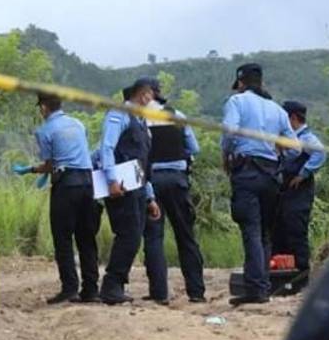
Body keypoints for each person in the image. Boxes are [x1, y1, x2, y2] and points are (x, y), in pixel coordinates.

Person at [220, 63, 297, 305]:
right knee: (264, 233)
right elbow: (294, 148)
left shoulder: (237, 102)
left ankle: (254, 289)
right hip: (271, 174)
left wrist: (226, 158)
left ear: (241, 84)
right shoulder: (277, 110)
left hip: (247, 171)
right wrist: (277, 151)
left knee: (251, 230)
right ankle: (262, 287)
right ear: (261, 83)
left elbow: (229, 133)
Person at [14, 94, 100, 303]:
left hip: (67, 185)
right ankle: (91, 290)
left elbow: (50, 164)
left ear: (43, 108)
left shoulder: (44, 131)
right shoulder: (78, 124)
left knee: (63, 237)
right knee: (86, 237)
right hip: (89, 183)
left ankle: (69, 288)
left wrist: (31, 170)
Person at [98, 78, 162, 305]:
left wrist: (150, 196)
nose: (152, 102)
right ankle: (111, 285)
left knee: (133, 236)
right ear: (144, 94)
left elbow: (142, 163)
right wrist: (111, 180)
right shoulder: (119, 115)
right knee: (129, 235)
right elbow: (106, 147)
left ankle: (115, 285)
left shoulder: (141, 122)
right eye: (152, 97)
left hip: (137, 186)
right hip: (121, 187)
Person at [142, 82, 207, 304]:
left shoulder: (139, 117)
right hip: (178, 179)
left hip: (152, 180)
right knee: (186, 235)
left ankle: (159, 293)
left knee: (154, 237)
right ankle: (196, 292)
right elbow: (194, 148)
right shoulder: (177, 114)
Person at [273, 100, 327, 273]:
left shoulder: (306, 138)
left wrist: (303, 174)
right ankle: (281, 271)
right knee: (280, 229)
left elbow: (320, 152)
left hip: (299, 192)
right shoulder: (290, 139)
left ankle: (302, 272)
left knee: (296, 230)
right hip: (285, 191)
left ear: (293, 118)